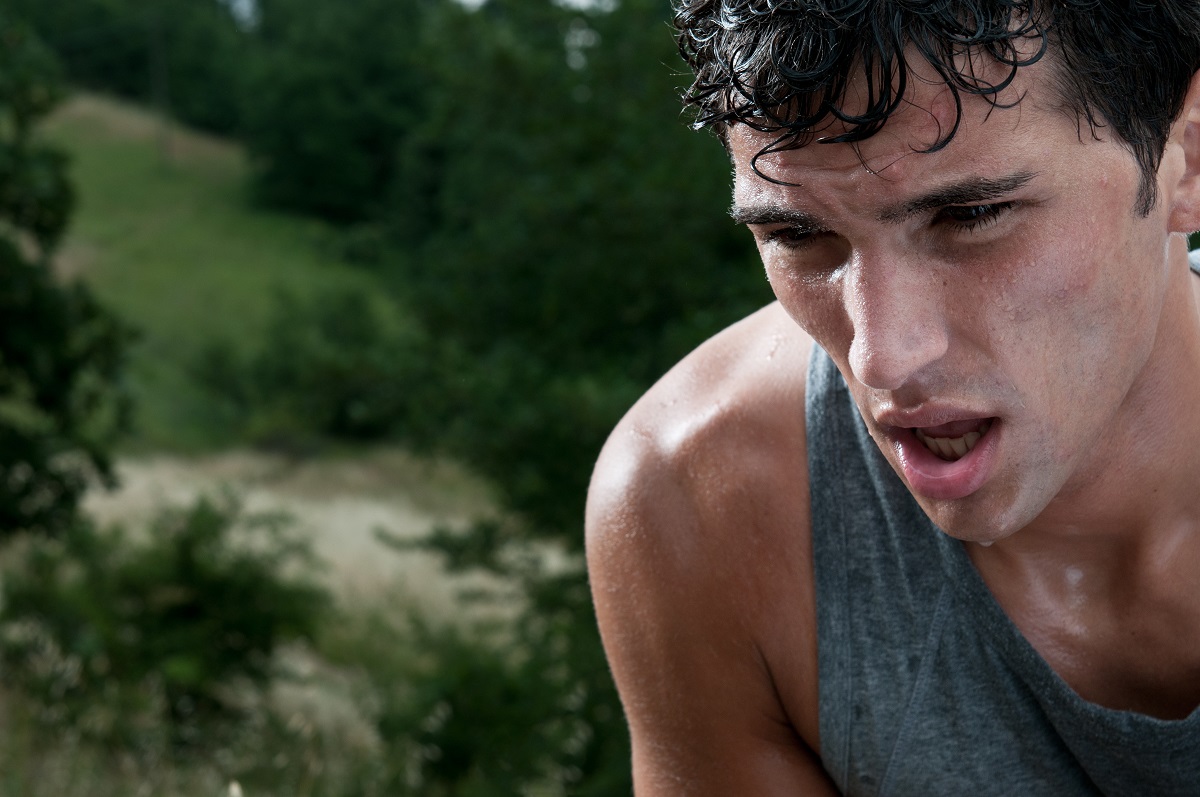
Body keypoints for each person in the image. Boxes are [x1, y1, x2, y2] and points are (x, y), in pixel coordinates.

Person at [584, 2, 1200, 794]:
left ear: (1186, 154)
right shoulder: (703, 494)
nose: (885, 356)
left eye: (972, 215)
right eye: (799, 237)